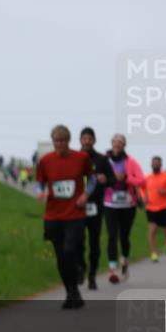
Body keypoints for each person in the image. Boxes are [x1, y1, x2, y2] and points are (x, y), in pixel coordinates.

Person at [35, 125, 94, 309]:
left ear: (68, 141)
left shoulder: (81, 158)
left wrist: (86, 195)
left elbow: (91, 179)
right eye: (56, 141)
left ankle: (78, 272)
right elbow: (39, 182)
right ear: (53, 142)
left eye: (62, 141)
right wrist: (40, 192)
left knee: (70, 250)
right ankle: (71, 293)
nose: (59, 144)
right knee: (61, 257)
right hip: (53, 214)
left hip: (75, 213)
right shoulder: (45, 161)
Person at [102, 133, 146, 283]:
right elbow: (97, 175)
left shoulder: (131, 162)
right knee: (112, 235)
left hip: (128, 204)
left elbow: (141, 180)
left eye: (120, 142)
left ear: (124, 145)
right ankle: (112, 270)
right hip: (109, 203)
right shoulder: (105, 160)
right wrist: (110, 178)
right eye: (115, 142)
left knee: (124, 236)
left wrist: (127, 178)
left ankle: (125, 262)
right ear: (111, 144)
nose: (117, 144)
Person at [77, 127, 114, 290]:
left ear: (94, 140)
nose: (87, 141)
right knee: (77, 240)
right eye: (84, 138)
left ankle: (92, 275)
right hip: (78, 205)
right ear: (80, 140)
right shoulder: (74, 158)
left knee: (94, 242)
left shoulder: (101, 159)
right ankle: (81, 267)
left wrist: (105, 179)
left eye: (90, 139)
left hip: (96, 205)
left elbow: (112, 179)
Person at [142, 156, 166, 259]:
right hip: (151, 207)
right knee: (152, 231)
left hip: (164, 207)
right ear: (151, 165)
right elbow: (142, 189)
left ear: (161, 165)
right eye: (154, 163)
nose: (155, 165)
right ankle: (154, 253)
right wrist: (144, 197)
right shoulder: (147, 178)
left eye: (158, 163)